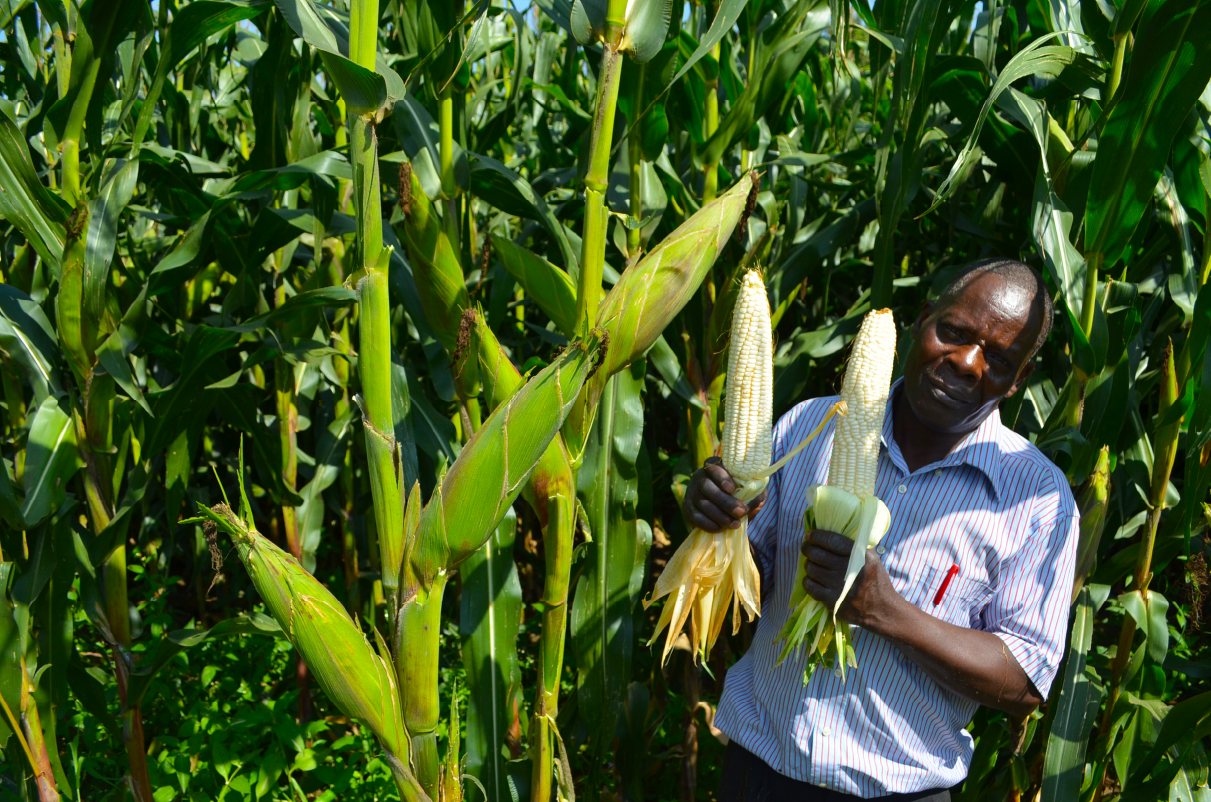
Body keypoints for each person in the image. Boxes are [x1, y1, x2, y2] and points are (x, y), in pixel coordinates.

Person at [683, 259, 1079, 801]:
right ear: (922, 322)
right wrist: (715, 521)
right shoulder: (808, 428)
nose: (967, 363)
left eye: (999, 359)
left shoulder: (1037, 499)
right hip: (759, 773)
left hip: (898, 793)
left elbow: (1024, 683)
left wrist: (883, 611)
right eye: (955, 333)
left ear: (1019, 381)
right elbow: (749, 583)